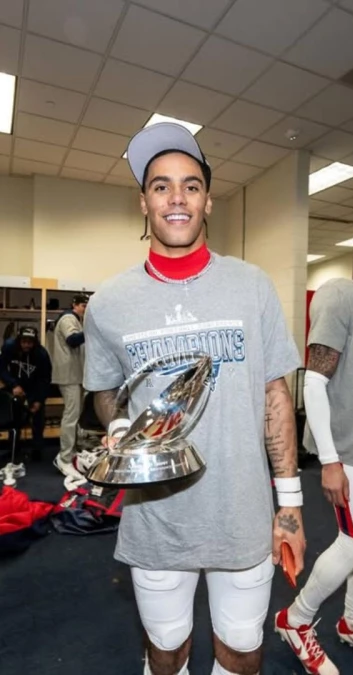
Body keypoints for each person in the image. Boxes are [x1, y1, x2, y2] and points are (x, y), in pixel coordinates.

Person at [83, 122, 305, 675]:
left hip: (243, 515)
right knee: (167, 653)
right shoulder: (108, 303)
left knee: (241, 651)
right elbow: (105, 395)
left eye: (190, 185)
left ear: (207, 200)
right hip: (157, 519)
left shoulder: (252, 286)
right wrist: (120, 432)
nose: (176, 198)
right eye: (161, 186)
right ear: (144, 202)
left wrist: (292, 504)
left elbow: (274, 395)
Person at [275, 218, 353, 674]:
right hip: (349, 449)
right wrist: (329, 460)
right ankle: (296, 619)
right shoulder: (341, 296)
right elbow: (314, 383)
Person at [0, 326, 52, 461]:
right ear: (19, 340)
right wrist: (13, 384)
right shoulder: (9, 347)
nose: (27, 345)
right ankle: (14, 449)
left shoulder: (42, 354)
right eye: (24, 342)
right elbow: (1, 368)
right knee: (14, 417)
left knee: (38, 418)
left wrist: (39, 400)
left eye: (30, 342)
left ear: (35, 342)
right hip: (15, 386)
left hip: (34, 387)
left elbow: (45, 379)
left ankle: (37, 450)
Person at [51, 293, 88, 475]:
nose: (84, 309)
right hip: (69, 376)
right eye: (83, 306)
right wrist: (91, 330)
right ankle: (64, 458)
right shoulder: (68, 318)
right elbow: (72, 340)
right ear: (75, 305)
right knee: (71, 418)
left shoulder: (76, 320)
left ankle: (71, 453)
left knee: (75, 417)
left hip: (76, 376)